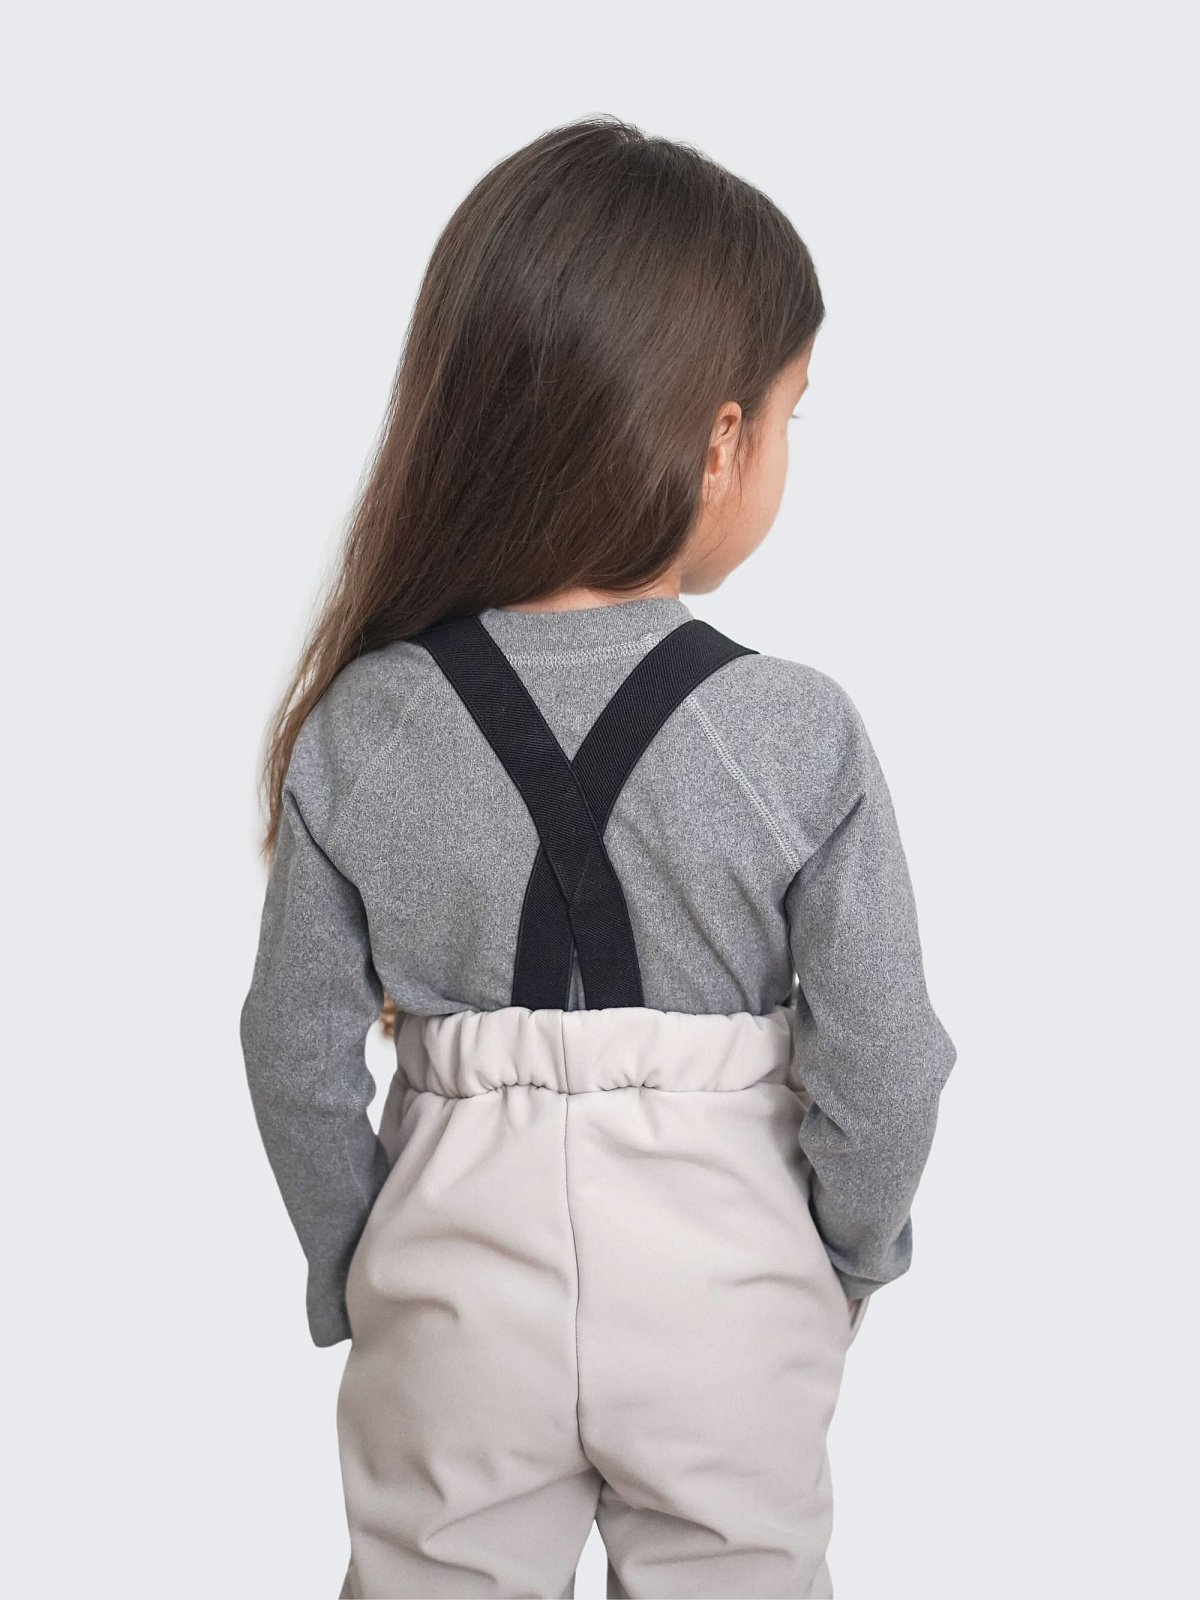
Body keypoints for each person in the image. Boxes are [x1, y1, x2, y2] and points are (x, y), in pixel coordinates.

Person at [238, 113, 957, 1600]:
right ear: (720, 442)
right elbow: (887, 1058)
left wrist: (360, 1266)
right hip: (728, 1271)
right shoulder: (796, 728)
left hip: (450, 1268)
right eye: (792, 414)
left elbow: (293, 1050)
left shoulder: (365, 719)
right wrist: (844, 1261)